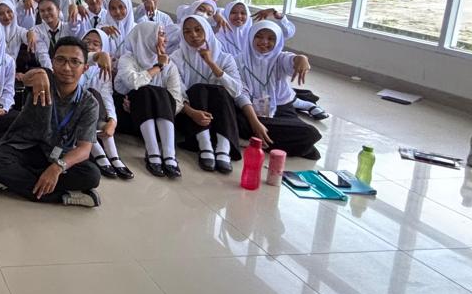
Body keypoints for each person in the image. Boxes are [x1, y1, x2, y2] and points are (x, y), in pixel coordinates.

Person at [0, 37, 102, 207]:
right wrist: (38, 73)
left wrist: (57, 168)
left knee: (91, 175)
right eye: (60, 60)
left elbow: (84, 149)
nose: (66, 67)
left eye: (74, 62)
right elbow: (26, 78)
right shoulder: (44, 79)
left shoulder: (89, 103)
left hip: (57, 154)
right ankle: (64, 197)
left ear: (85, 68)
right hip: (23, 148)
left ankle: (14, 183)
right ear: (52, 62)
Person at [171, 15, 264, 174]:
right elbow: (176, 91)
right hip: (191, 113)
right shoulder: (176, 57)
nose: (193, 35)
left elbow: (236, 90)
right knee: (198, 89)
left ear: (207, 31)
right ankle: (205, 146)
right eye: (187, 31)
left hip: (222, 111)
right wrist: (192, 113)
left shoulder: (225, 58)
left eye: (198, 30)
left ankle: (223, 148)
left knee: (220, 91)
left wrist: (211, 63)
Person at [236, 21, 322, 159]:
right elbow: (241, 94)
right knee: (309, 145)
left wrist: (301, 58)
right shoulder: (238, 61)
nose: (264, 42)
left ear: (278, 41)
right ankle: (258, 137)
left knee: (310, 134)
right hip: (249, 110)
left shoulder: (279, 57)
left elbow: (291, 60)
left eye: (271, 38)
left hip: (281, 108)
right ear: (251, 36)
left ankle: (253, 141)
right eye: (259, 36)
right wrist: (255, 123)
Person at [114, 22, 184, 178]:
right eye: (161, 34)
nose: (165, 40)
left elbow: (177, 100)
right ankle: (152, 151)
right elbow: (133, 82)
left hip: (162, 123)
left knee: (161, 93)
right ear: (146, 37)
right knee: (144, 90)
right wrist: (158, 67)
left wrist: (160, 110)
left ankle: (169, 154)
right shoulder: (128, 59)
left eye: (164, 34)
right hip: (131, 117)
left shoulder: (170, 64)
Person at [78, 28, 128, 179]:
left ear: (103, 47)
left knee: (96, 96)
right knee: (90, 94)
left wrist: (112, 120)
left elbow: (107, 96)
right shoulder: (76, 61)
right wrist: (97, 57)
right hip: (72, 110)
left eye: (96, 44)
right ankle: (99, 153)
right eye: (86, 42)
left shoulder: (103, 69)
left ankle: (113, 155)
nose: (90, 46)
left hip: (94, 114)